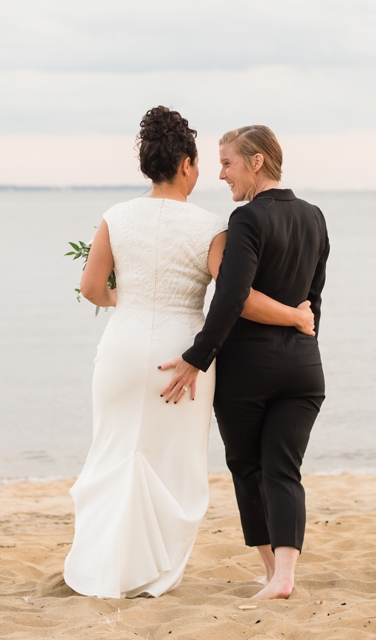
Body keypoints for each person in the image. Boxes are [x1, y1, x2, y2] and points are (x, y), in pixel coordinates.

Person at [64, 108, 314, 599]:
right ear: (185, 165)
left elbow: (91, 287)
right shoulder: (210, 227)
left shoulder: (116, 217)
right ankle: (151, 572)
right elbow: (235, 297)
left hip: (122, 348)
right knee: (171, 463)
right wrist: (295, 315)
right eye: (201, 164)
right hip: (181, 356)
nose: (206, 174)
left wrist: (131, 301)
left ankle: (102, 567)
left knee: (114, 452)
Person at [160, 125, 328, 600]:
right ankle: (285, 575)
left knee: (248, 467)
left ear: (257, 162)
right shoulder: (315, 217)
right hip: (303, 369)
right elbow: (312, 304)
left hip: (248, 370)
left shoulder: (247, 220)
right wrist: (304, 347)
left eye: (228, 162)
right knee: (284, 469)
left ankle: (274, 570)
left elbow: (230, 297)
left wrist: (197, 356)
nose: (221, 173)